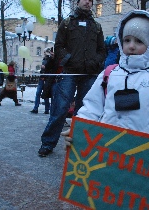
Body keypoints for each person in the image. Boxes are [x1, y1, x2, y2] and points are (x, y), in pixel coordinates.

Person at [62, 10, 149, 171]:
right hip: (106, 149)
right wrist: (79, 131)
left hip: (144, 156)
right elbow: (91, 108)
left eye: (139, 41)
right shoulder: (108, 75)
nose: (131, 45)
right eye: (127, 40)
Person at [38, 0, 106, 157]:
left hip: (89, 74)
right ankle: (48, 143)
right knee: (60, 108)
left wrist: (96, 61)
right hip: (69, 72)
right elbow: (59, 45)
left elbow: (102, 50)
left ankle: (79, 144)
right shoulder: (67, 23)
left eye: (90, 0)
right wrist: (67, 59)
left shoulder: (96, 26)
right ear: (77, 2)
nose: (88, 2)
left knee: (84, 111)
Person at [30, 48, 51, 114]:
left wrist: (44, 75)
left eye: (45, 52)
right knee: (38, 93)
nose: (44, 53)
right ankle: (36, 108)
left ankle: (46, 109)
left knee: (45, 94)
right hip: (42, 78)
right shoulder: (44, 59)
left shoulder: (49, 59)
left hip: (46, 79)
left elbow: (49, 69)